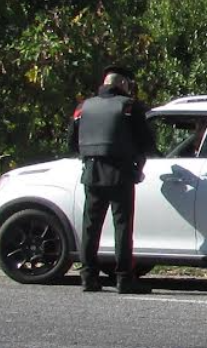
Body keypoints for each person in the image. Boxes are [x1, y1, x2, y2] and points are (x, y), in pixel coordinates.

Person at [67, 65, 156, 293]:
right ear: (123, 84)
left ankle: (88, 277)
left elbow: (72, 143)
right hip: (121, 173)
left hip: (92, 173)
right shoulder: (129, 107)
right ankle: (124, 279)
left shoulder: (83, 107)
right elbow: (146, 142)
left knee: (91, 227)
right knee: (123, 227)